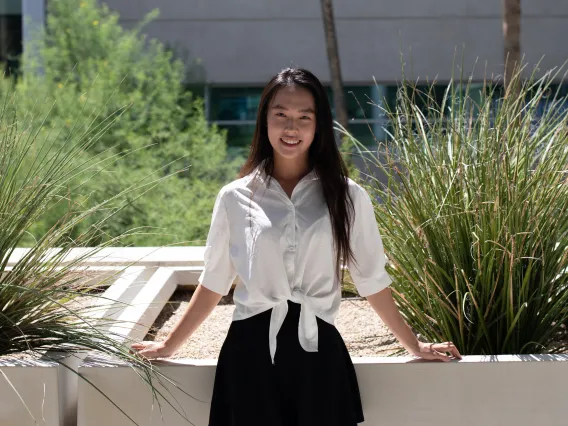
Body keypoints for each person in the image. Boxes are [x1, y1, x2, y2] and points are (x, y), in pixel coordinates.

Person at [131, 68, 461, 426]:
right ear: (265, 120)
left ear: (318, 125)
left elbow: (371, 280)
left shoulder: (347, 195)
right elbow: (214, 281)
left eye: (304, 117)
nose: (292, 128)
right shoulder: (235, 197)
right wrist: (168, 346)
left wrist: (415, 346)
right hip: (250, 353)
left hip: (319, 352)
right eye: (281, 115)